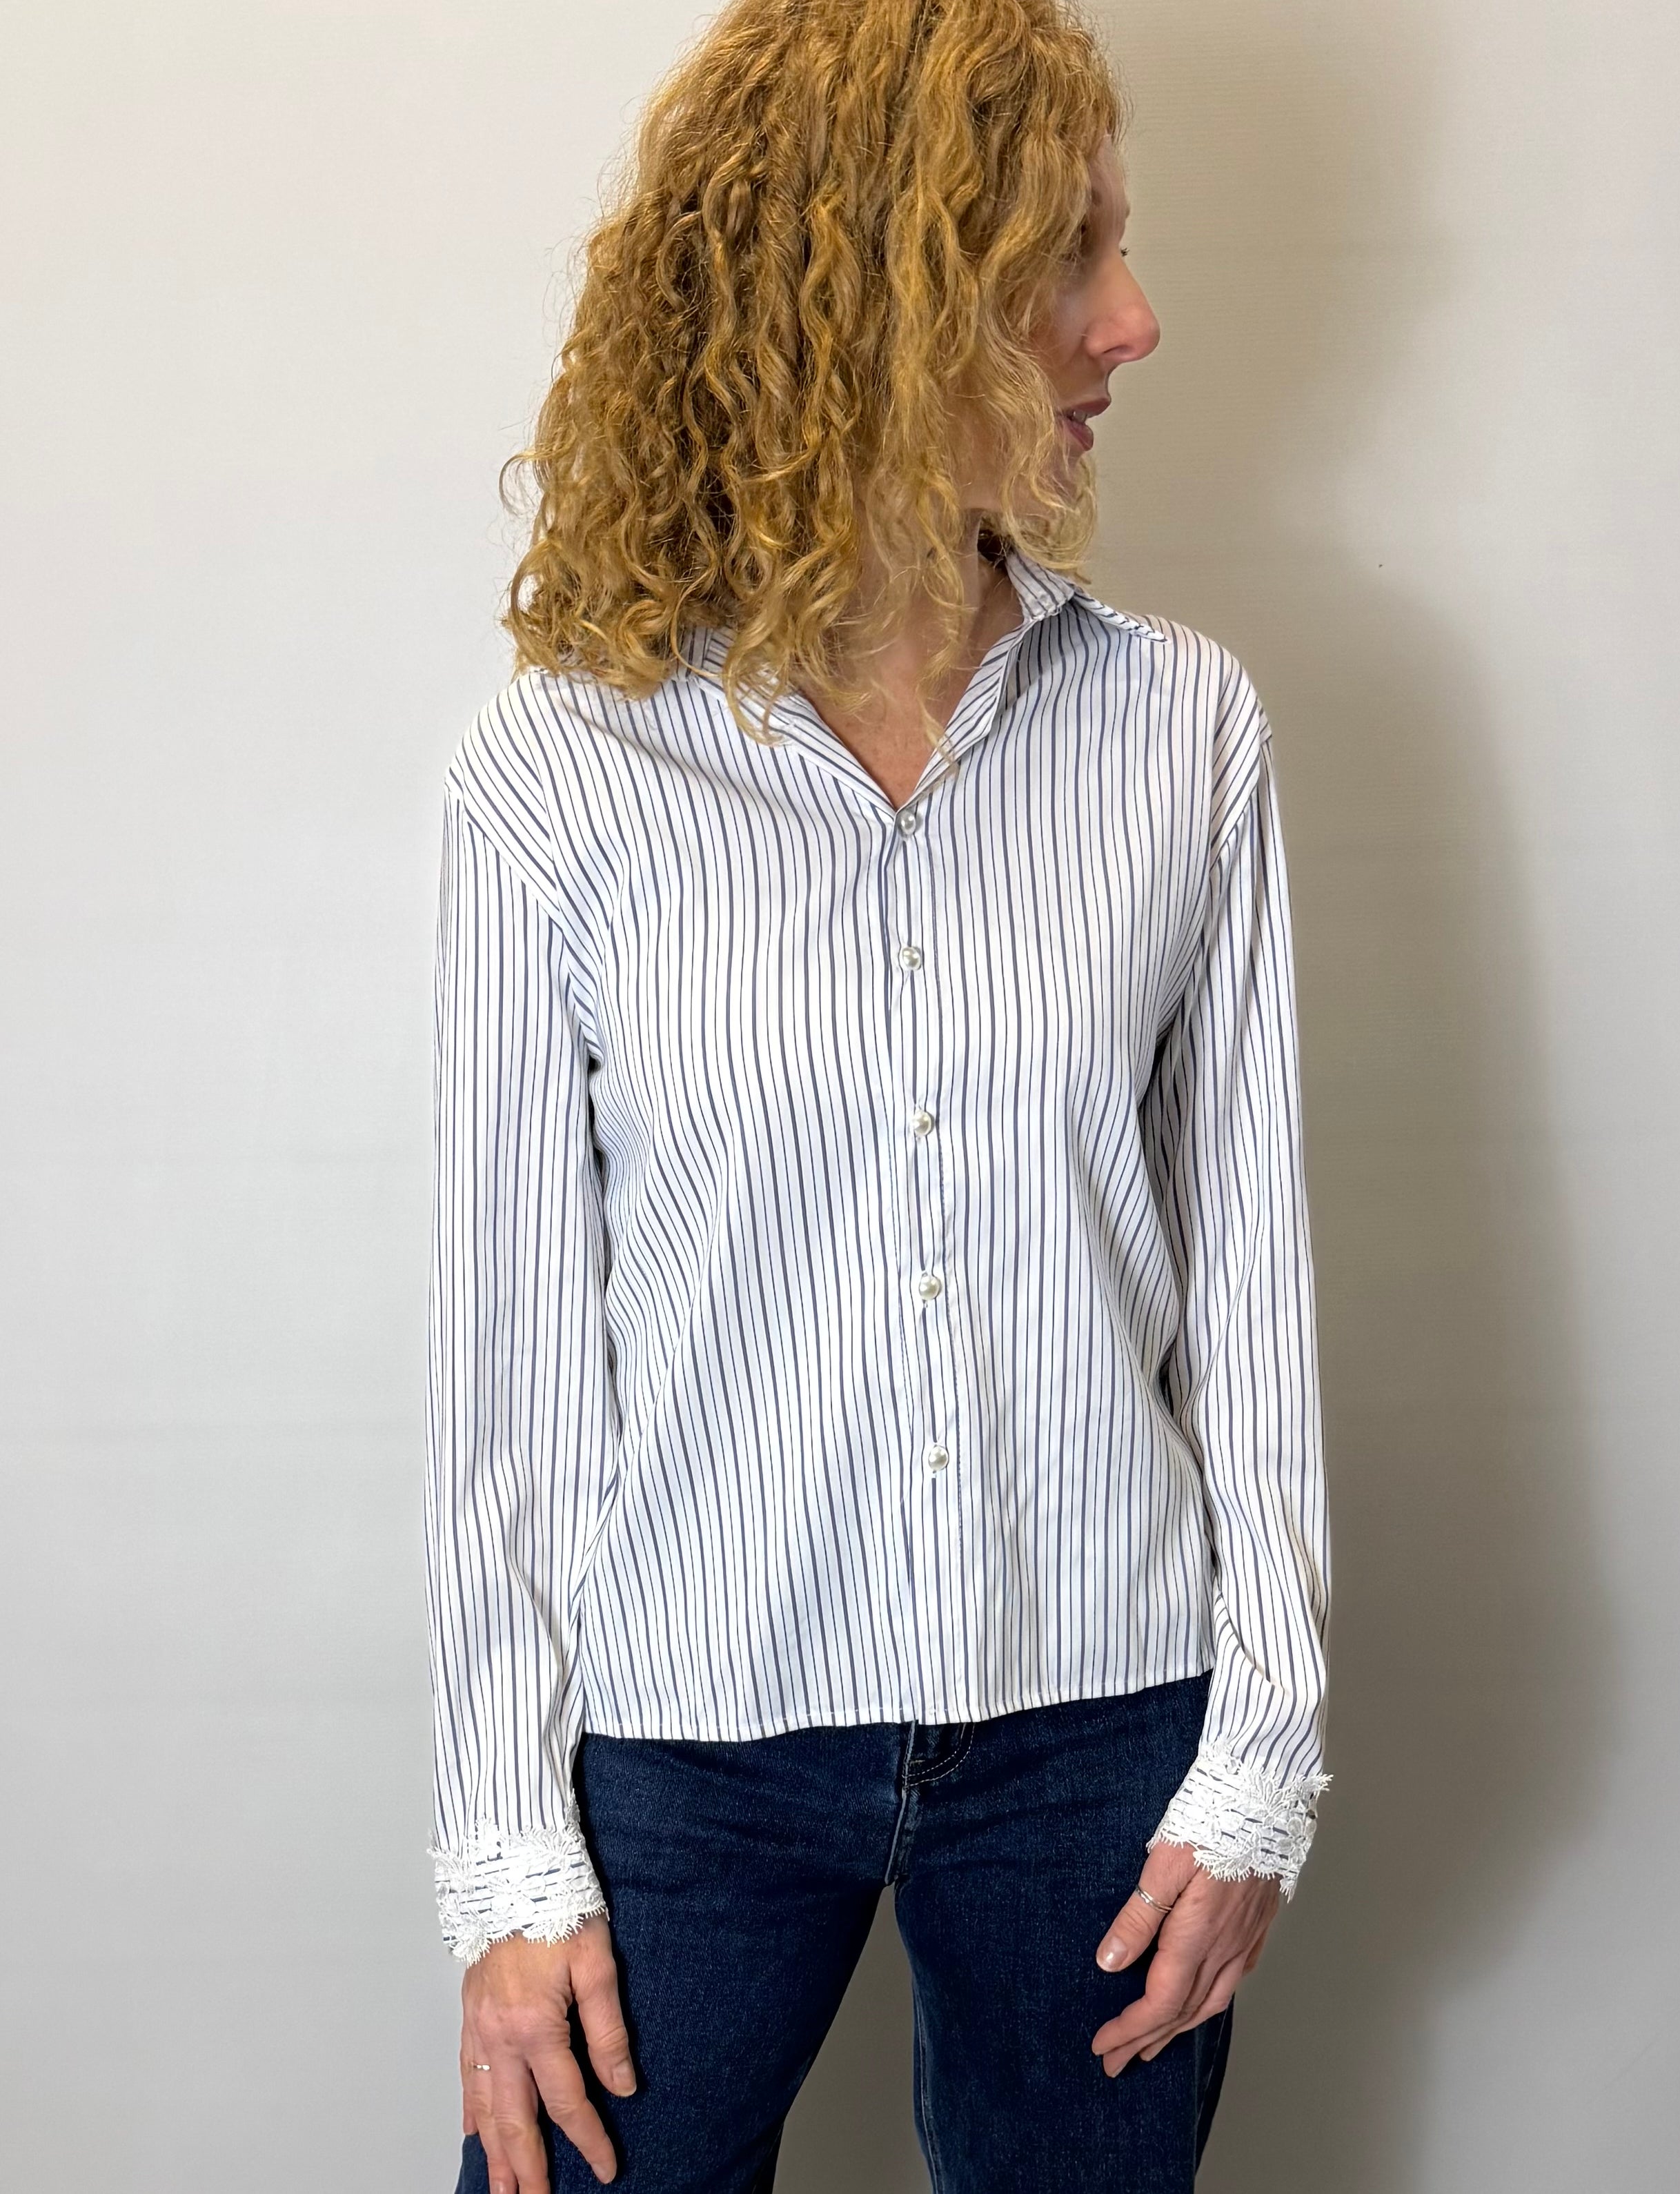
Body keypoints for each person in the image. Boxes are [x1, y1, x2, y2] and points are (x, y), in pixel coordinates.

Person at [422, 3, 1331, 2188]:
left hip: (1102, 1735)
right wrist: (504, 1857)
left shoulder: (1183, 735)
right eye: (1065, 258)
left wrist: (1259, 1764)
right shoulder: (559, 771)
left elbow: (1257, 1287)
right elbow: (511, 1366)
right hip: (691, 1736)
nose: (1135, 317)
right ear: (877, 286)